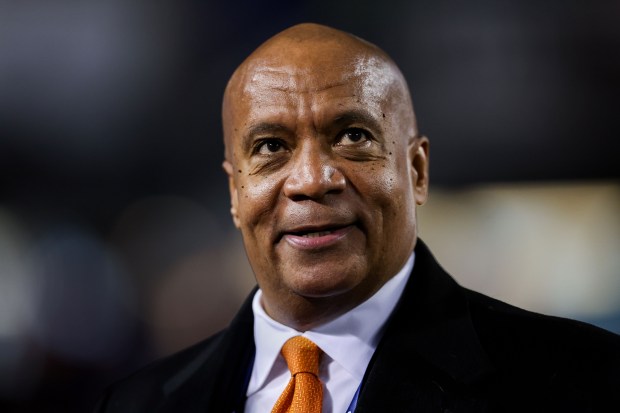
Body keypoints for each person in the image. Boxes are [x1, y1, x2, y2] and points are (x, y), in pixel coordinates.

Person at [95, 23, 620, 412]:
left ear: (416, 171)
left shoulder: (579, 380)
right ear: (236, 192)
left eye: (353, 136)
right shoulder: (136, 404)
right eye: (272, 146)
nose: (310, 179)